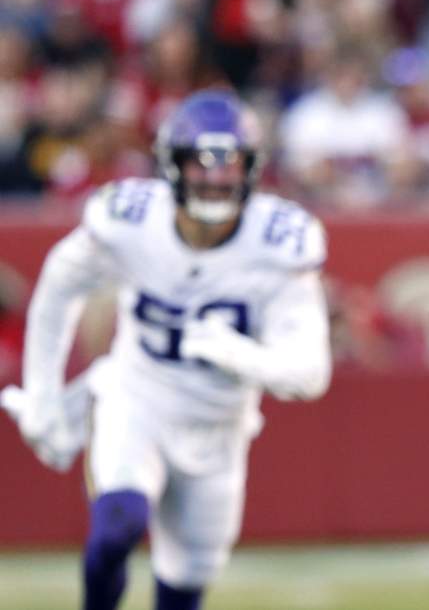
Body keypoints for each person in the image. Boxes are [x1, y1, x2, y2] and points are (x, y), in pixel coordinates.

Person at [1, 90, 331, 610]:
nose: (215, 178)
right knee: (119, 524)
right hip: (138, 399)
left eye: (229, 163)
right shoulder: (131, 219)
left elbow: (310, 372)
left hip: (219, 427)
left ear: (251, 167)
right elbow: (59, 286)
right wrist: (42, 395)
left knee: (184, 580)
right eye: (200, 162)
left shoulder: (281, 243)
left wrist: (239, 354)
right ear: (171, 165)